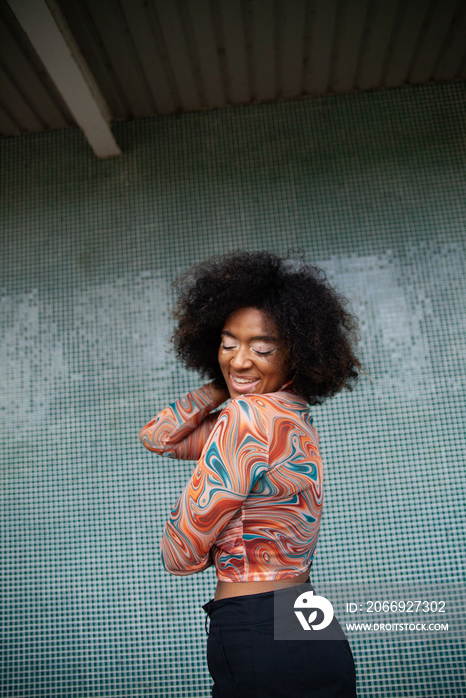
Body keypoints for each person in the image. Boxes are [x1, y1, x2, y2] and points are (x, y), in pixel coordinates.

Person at [139, 250, 361, 697]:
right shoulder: (292, 417)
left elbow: (178, 556)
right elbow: (158, 437)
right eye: (227, 344)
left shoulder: (244, 420)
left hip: (259, 628)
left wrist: (233, 390)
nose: (240, 360)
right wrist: (230, 380)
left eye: (260, 349)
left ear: (298, 352)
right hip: (311, 622)